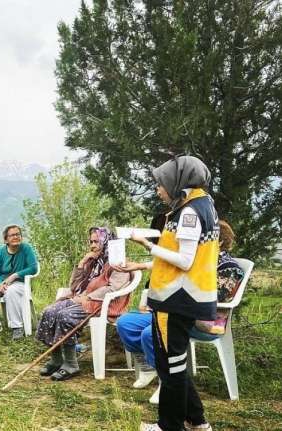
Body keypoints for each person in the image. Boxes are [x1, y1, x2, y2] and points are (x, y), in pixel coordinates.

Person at [115, 156, 219, 431]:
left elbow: (184, 260)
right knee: (176, 363)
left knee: (169, 365)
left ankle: (169, 426)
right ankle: (198, 422)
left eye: (161, 184)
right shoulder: (204, 204)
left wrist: (146, 244)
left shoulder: (189, 212)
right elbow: (189, 259)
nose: (158, 190)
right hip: (188, 298)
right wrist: (144, 264)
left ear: (177, 181)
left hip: (177, 300)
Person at [116, 220, 245, 402]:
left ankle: (167, 383)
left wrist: (171, 299)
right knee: (126, 323)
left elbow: (214, 299)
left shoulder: (230, 268)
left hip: (205, 321)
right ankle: (149, 367)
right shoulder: (198, 260)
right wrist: (141, 267)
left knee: (150, 334)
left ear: (219, 241)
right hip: (174, 313)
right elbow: (170, 264)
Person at [35, 227, 131, 380]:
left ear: (107, 242)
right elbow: (74, 287)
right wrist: (82, 263)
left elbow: (113, 288)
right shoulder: (93, 262)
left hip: (103, 304)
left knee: (65, 316)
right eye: (91, 241)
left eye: (97, 241)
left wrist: (89, 296)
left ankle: (71, 365)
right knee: (49, 312)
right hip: (81, 299)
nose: (92, 245)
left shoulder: (118, 262)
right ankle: (56, 359)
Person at [0, 224, 38, 340]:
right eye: (12, 235)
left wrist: (15, 275)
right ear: (6, 239)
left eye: (18, 234)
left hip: (20, 283)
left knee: (11, 291)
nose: (16, 237)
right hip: (2, 283)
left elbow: (33, 268)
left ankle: (17, 327)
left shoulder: (26, 248)